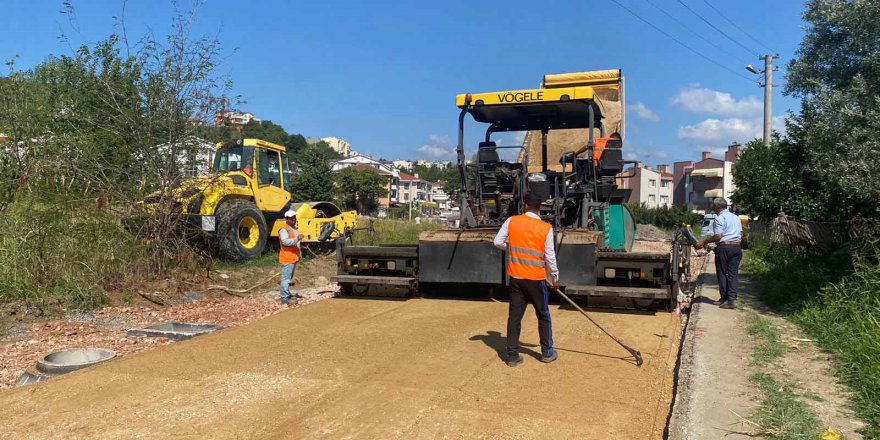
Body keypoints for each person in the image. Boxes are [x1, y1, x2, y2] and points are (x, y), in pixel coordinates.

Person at [493, 193, 560, 367]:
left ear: (524, 206)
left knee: (514, 317)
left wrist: (512, 247)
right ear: (540, 208)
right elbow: (550, 257)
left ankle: (513, 356)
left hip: (516, 277)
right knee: (543, 314)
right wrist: (555, 278)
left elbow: (497, 242)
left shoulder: (512, 221)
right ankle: (547, 352)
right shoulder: (546, 228)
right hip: (536, 279)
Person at [695, 198, 743, 309]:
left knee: (722, 273)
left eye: (714, 207)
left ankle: (724, 298)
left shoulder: (719, 218)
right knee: (733, 274)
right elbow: (741, 234)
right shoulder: (736, 218)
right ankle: (731, 300)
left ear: (717, 207)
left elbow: (718, 236)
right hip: (736, 247)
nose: (714, 210)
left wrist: (704, 241)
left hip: (725, 247)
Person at [279, 209, 301, 306]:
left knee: (288, 278)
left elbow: (297, 244)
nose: (293, 220)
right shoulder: (284, 229)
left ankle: (287, 294)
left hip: (293, 257)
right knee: (286, 279)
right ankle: (284, 297)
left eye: (294, 218)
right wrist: (297, 239)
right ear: (286, 219)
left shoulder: (293, 229)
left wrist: (299, 253)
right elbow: (285, 242)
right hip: (287, 257)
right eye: (291, 218)